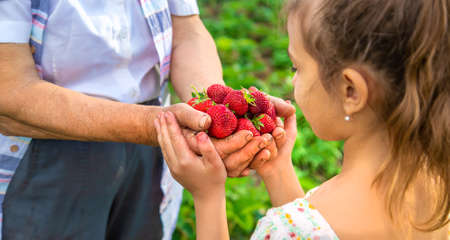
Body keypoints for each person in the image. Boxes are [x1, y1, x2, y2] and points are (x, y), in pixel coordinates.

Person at [0, 0, 295, 239]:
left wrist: (212, 114)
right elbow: (9, 90)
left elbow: (188, 31)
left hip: (154, 142)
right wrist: (163, 125)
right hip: (47, 147)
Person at [154, 0, 450, 239]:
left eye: (297, 67)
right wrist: (277, 170)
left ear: (350, 91)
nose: (291, 80)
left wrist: (208, 198)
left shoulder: (285, 230)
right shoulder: (438, 185)